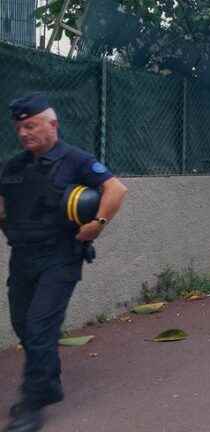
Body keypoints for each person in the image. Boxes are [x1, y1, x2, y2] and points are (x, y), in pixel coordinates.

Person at [0, 92, 128, 432]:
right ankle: (49, 383)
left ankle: (32, 403)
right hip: (23, 257)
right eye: (20, 128)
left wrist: (96, 225)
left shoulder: (76, 160)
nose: (24, 133)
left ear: (52, 124)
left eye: (31, 126)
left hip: (60, 257)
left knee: (41, 327)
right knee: (24, 325)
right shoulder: (13, 166)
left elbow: (116, 190)